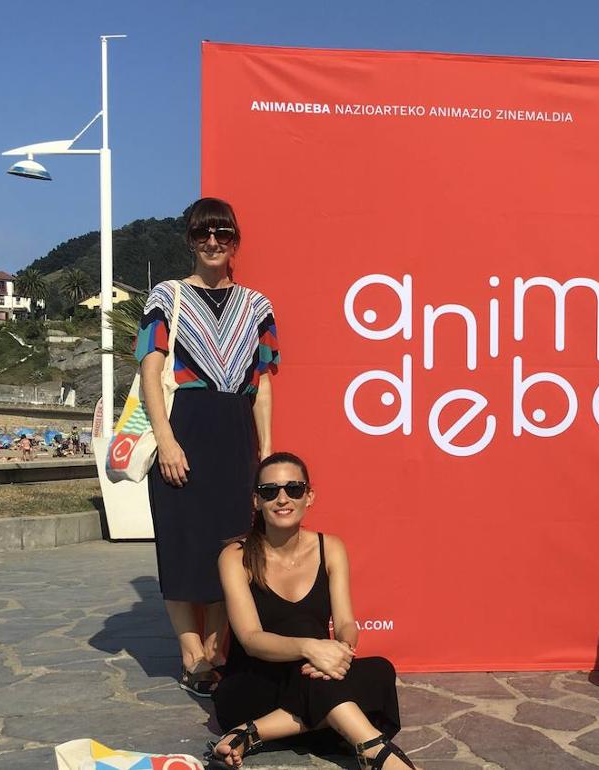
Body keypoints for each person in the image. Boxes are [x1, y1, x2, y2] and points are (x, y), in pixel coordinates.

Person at [137, 197, 280, 698]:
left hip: (236, 432)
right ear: (191, 241)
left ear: (235, 240)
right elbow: (149, 369)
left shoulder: (257, 305)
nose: (213, 243)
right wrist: (166, 439)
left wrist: (268, 453)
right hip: (185, 426)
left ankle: (217, 651)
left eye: (223, 234)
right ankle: (189, 653)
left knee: (230, 543)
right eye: (203, 234)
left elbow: (262, 383)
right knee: (180, 543)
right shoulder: (166, 296)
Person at [208, 452, 411, 770]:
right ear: (256, 501)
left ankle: (251, 734)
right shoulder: (235, 556)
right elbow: (250, 639)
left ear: (309, 496)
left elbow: (345, 622)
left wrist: (341, 649)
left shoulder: (330, 547)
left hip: (310, 680)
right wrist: (310, 646)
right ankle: (374, 750)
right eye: (269, 491)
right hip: (253, 685)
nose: (282, 498)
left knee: (380, 670)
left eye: (294, 488)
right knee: (302, 628)